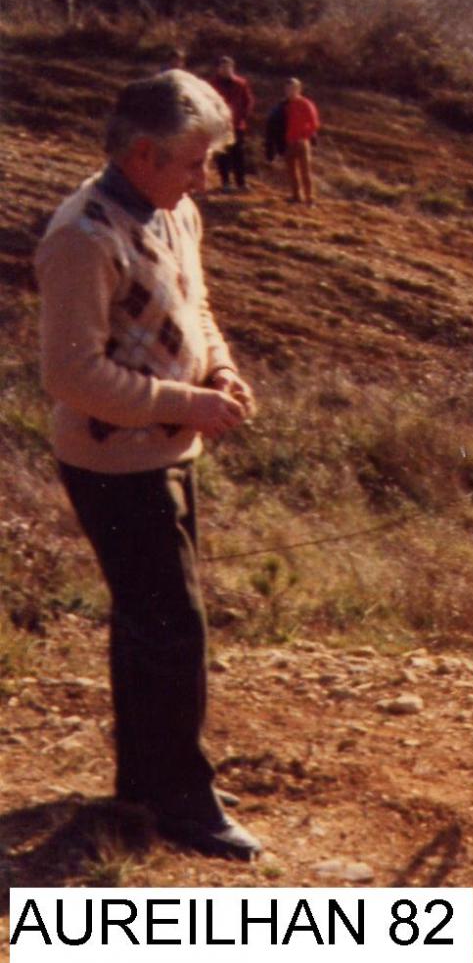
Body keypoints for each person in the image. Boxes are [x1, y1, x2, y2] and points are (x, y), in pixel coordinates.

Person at [35, 69, 262, 861]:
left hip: (164, 449)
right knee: (173, 627)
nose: (205, 178)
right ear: (142, 153)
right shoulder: (81, 236)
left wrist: (221, 371)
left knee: (155, 623)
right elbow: (69, 377)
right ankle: (179, 801)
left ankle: (149, 781)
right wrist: (184, 404)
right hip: (113, 462)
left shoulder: (175, 212)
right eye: (194, 162)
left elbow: (195, 306)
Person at [208, 56, 255, 191]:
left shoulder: (241, 83)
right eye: (223, 67)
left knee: (238, 153)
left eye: (228, 67)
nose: (226, 70)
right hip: (220, 124)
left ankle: (241, 182)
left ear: (232, 68)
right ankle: (225, 182)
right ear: (218, 69)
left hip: (237, 124)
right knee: (223, 153)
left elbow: (248, 101)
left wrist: (242, 116)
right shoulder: (212, 85)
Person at [280, 77, 320, 206]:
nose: (290, 91)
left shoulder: (305, 104)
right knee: (291, 171)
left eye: (293, 89)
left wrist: (304, 136)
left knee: (305, 172)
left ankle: (310, 199)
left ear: (299, 89)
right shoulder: (283, 105)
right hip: (287, 142)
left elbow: (314, 123)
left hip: (301, 142)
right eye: (287, 89)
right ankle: (296, 196)